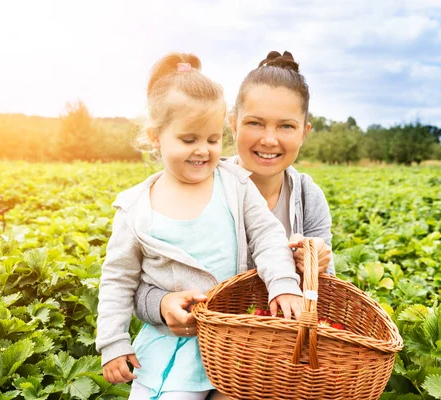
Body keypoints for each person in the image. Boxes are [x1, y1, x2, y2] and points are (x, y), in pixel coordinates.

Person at [96, 52, 304, 400]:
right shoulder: (136, 209)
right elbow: (117, 279)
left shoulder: (235, 184)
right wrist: (114, 343)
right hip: (171, 347)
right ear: (156, 137)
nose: (203, 151)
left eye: (212, 139)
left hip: (232, 346)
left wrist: (284, 285)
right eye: (188, 140)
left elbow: (269, 236)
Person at [134, 50, 334, 343]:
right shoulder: (199, 185)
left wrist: (320, 263)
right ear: (232, 123)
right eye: (255, 123)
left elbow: (329, 297)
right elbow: (136, 283)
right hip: (209, 348)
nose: (269, 139)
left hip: (280, 350)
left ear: (304, 132)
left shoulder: (307, 197)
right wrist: (162, 305)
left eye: (286, 126)